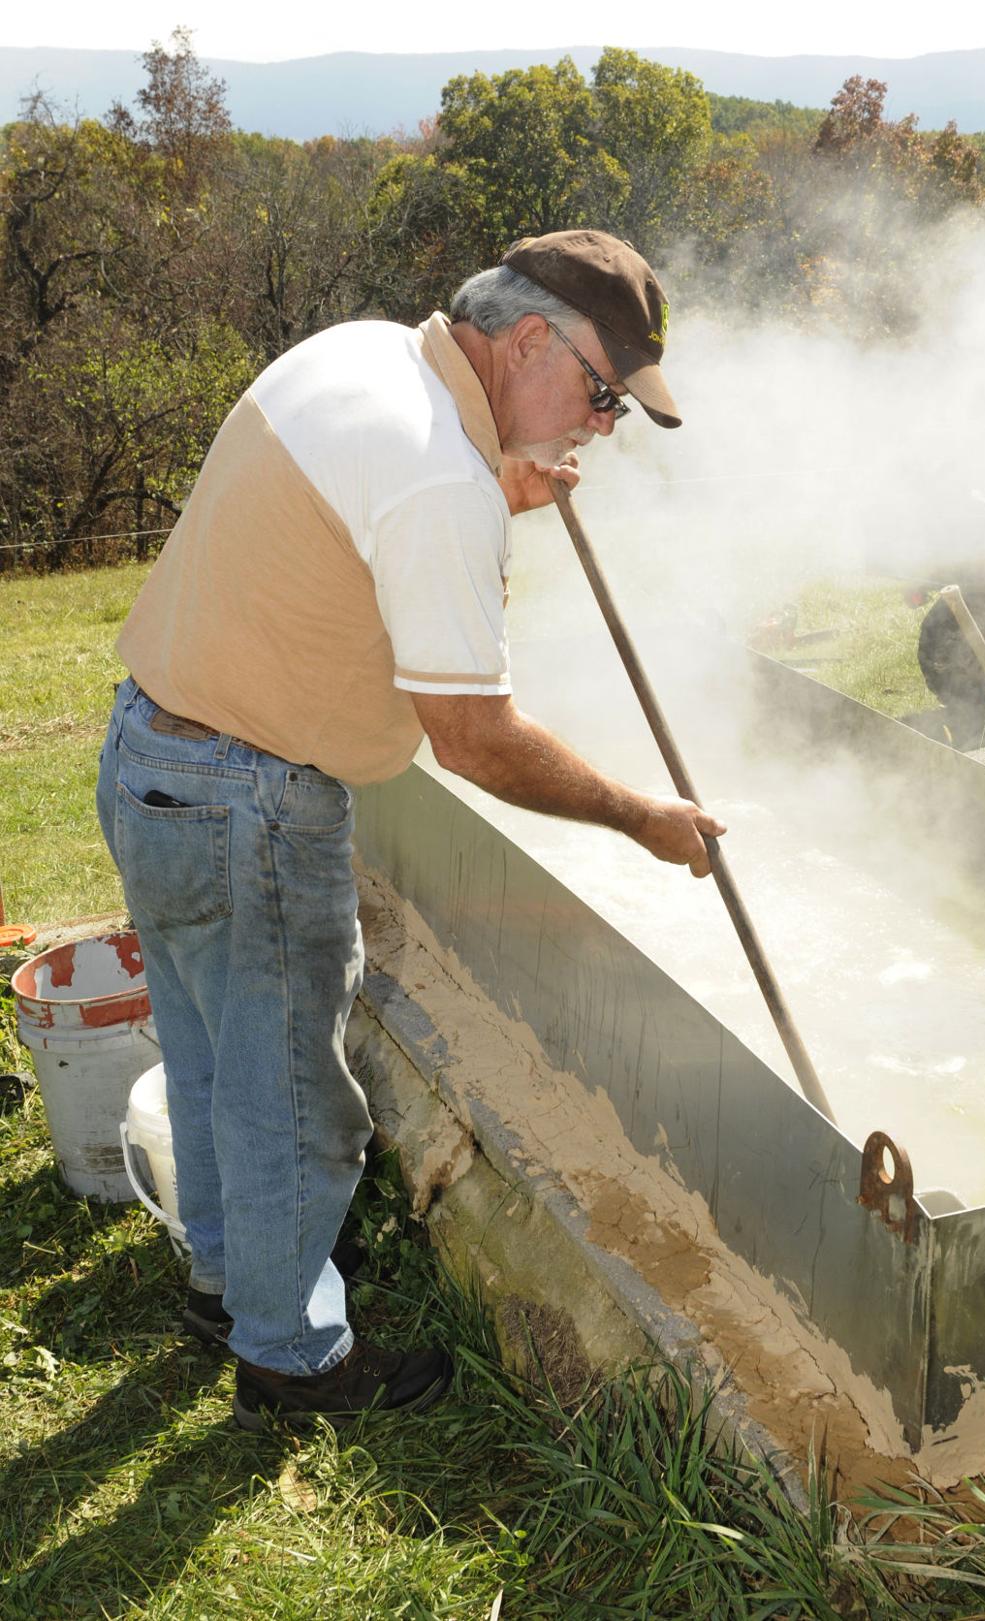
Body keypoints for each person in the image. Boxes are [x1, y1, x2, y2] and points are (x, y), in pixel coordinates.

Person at [96, 230, 725, 1431]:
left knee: (220, 1061)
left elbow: (370, 539)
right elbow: (476, 739)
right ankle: (292, 1357)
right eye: (601, 395)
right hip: (251, 797)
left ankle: (231, 1280)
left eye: (619, 413)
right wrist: (641, 817)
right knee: (292, 1098)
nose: (601, 428)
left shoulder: (368, 354)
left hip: (152, 756)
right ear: (529, 338)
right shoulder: (442, 473)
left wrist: (497, 489)